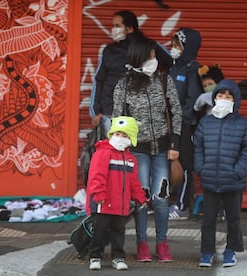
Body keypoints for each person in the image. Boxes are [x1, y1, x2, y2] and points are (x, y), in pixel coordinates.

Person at [112, 37, 182, 262]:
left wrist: (175, 144)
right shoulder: (123, 84)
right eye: (150, 55)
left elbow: (176, 112)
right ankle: (142, 244)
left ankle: (162, 244)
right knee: (140, 198)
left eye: (154, 55)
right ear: (138, 57)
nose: (154, 59)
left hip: (162, 149)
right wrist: (121, 146)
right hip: (136, 152)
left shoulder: (164, 81)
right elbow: (118, 118)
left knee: (161, 198)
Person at [193, 79, 247, 268]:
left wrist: (238, 171)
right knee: (208, 220)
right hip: (210, 179)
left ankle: (231, 250)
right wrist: (201, 168)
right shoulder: (205, 122)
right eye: (220, 95)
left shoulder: (243, 124)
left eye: (229, 96)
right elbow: (198, 146)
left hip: (233, 181)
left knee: (234, 218)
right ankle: (206, 252)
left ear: (235, 100)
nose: (224, 99)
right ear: (214, 98)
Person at [90, 10, 172, 134]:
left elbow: (173, 64)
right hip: (111, 113)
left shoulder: (148, 46)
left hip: (142, 113)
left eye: (117, 26)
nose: (113, 29)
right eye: (112, 26)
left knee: (138, 153)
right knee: (114, 152)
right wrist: (95, 112)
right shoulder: (110, 50)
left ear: (130, 28)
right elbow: (99, 80)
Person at [86, 116, 148, 271]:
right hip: (103, 203)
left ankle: (118, 257)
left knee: (118, 232)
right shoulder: (103, 153)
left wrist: (140, 198)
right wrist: (98, 194)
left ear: (131, 139)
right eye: (118, 134)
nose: (120, 138)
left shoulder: (131, 159)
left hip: (121, 205)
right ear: (111, 134)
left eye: (125, 135)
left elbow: (134, 182)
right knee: (99, 231)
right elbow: (96, 176)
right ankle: (95, 256)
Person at [168, 27, 204, 220]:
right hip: (171, 125)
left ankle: (182, 206)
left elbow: (194, 100)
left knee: (186, 165)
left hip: (186, 125)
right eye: (173, 44)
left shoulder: (193, 69)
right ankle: (174, 202)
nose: (173, 48)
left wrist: (182, 120)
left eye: (177, 45)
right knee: (172, 164)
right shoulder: (174, 68)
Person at [193, 64, 226, 221]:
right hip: (208, 142)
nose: (208, 88)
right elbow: (196, 107)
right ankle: (213, 209)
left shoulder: (225, 98)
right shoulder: (205, 99)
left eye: (210, 84)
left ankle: (222, 209)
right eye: (205, 85)